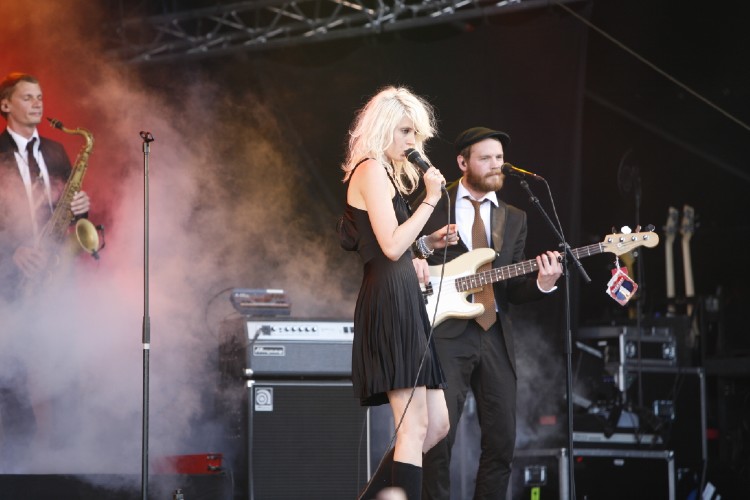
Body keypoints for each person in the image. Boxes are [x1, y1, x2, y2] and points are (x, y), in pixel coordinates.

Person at [417, 127, 563, 500]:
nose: (497, 165)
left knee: (501, 442)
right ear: (463, 162)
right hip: (447, 332)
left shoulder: (514, 218)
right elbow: (404, 255)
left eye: (500, 158)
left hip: (494, 331)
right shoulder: (435, 204)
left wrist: (544, 283)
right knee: (438, 440)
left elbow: (511, 286)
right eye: (487, 158)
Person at [339, 86, 457, 500]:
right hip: (388, 299)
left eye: (416, 135)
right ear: (384, 128)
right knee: (412, 427)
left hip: (405, 294)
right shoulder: (370, 169)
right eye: (406, 132)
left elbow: (395, 247)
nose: (412, 143)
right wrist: (430, 201)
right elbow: (388, 246)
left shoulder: (385, 172)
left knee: (436, 424)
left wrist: (426, 246)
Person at [0, 72, 91, 469]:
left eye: (40, 97)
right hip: (10, 281)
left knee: (65, 370)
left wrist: (81, 210)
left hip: (55, 278)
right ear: (5, 105)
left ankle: (68, 461)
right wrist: (11, 251)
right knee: (12, 378)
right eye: (27, 98)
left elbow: (64, 214)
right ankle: (13, 465)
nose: (38, 104)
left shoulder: (55, 151)